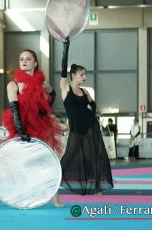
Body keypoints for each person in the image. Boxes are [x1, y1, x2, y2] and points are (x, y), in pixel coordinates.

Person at [1, 49, 64, 207]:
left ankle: (55, 198)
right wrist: (20, 130)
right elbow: (14, 109)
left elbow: (53, 94)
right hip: (21, 125)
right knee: (13, 162)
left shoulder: (43, 83)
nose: (24, 61)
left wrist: (45, 107)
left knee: (48, 160)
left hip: (41, 124)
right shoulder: (13, 84)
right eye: (21, 59)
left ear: (35, 63)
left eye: (28, 59)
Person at [59, 38, 113, 195]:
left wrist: (92, 113)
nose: (84, 77)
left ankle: (96, 188)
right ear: (73, 75)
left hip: (90, 125)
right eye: (82, 74)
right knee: (69, 156)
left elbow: (94, 104)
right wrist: (65, 47)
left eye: (85, 74)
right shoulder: (65, 88)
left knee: (95, 156)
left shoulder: (85, 92)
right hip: (76, 129)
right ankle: (54, 180)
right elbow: (63, 68)